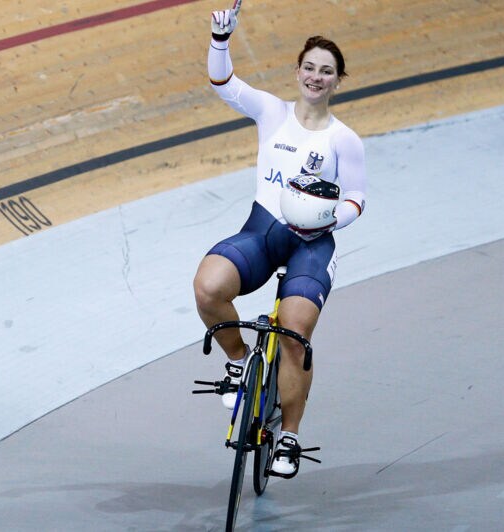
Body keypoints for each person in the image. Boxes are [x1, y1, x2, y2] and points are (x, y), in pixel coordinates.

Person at [193, 6, 368, 478]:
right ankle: (237, 360)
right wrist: (220, 37)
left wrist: (331, 219)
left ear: (337, 80)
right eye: (309, 67)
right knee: (209, 288)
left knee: (294, 335)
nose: (316, 76)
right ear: (298, 72)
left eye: (326, 71)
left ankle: (289, 435)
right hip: (262, 232)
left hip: (312, 246)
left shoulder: (344, 140)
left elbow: (357, 198)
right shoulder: (272, 111)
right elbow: (223, 82)